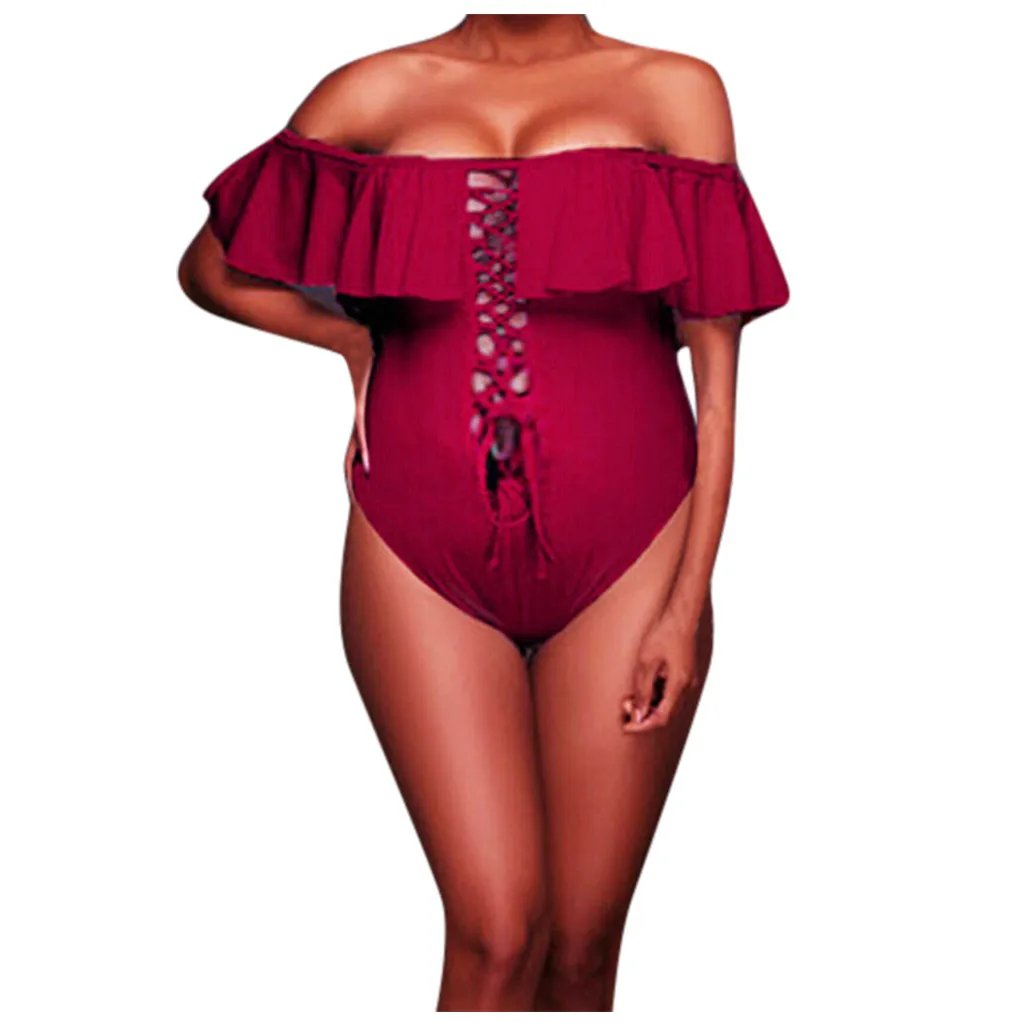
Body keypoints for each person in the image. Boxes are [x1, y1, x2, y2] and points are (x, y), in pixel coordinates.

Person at [178, 14, 789, 1012]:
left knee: (582, 948)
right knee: (497, 934)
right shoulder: (371, 92)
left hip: (635, 546)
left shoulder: (676, 89)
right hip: (416, 539)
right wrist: (351, 343)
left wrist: (684, 606)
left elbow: (718, 390)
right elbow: (211, 269)